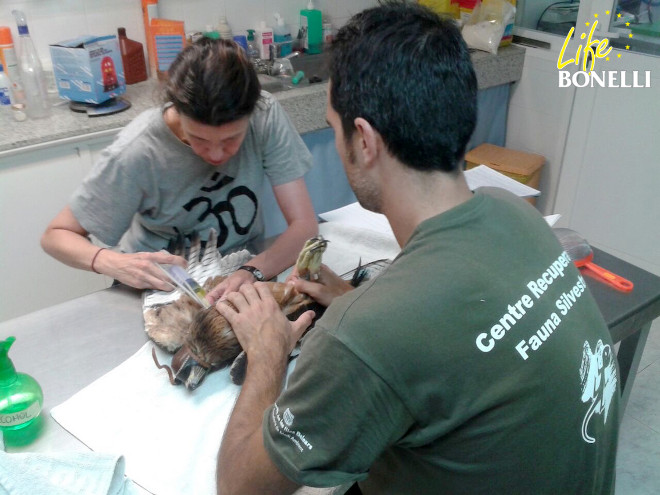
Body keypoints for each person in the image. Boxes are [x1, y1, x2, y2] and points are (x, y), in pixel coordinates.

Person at [214, 3, 620, 494]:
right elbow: (458, 336)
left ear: (363, 140)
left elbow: (239, 486)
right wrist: (355, 303)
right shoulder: (513, 212)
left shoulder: (366, 336)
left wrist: (267, 352)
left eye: (333, 124)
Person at [41, 38, 317, 297]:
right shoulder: (138, 151)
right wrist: (111, 262)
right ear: (178, 114)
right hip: (156, 288)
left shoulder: (264, 115)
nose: (216, 154)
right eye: (199, 139)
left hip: (239, 274)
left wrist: (252, 271)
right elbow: (56, 236)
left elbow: (304, 225)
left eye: (232, 138)